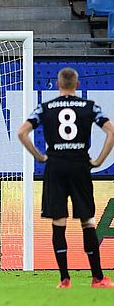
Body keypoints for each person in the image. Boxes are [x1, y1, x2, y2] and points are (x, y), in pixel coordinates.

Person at [17, 67, 114, 289]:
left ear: (59, 85)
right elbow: (111, 131)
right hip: (80, 164)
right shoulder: (89, 106)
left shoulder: (46, 107)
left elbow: (22, 131)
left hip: (55, 165)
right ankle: (98, 278)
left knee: (58, 221)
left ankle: (64, 279)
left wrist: (39, 156)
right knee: (87, 221)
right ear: (77, 85)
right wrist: (98, 160)